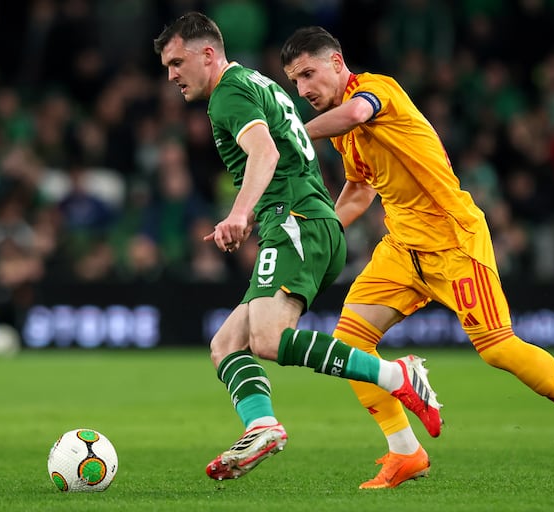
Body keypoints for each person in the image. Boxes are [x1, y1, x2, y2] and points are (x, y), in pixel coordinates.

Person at [280, 26, 554, 487]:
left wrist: (290, 135)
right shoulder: (344, 133)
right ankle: (404, 452)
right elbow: (360, 192)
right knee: (348, 346)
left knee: (499, 349)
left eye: (309, 73)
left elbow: (354, 114)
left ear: (338, 63)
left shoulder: (374, 92)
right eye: (294, 82)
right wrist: (315, 236)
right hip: (404, 248)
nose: (303, 89)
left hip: (453, 241)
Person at [153, 12, 442, 483]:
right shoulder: (255, 82)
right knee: (227, 344)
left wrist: (240, 212)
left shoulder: (228, 93)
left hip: (295, 220)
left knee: (267, 340)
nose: (171, 75)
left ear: (208, 54)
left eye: (176, 62)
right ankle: (262, 425)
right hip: (305, 220)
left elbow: (266, 153)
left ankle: (397, 376)